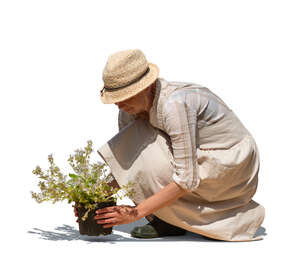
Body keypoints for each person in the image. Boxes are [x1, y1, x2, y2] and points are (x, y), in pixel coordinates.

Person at [75, 49, 266, 241]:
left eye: (126, 96)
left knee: (149, 159)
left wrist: (135, 213)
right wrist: (92, 199)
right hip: (201, 157)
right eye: (116, 98)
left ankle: (196, 220)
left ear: (146, 87)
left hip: (231, 164)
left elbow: (186, 179)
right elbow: (128, 161)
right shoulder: (128, 110)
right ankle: (165, 219)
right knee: (132, 144)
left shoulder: (175, 105)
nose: (119, 104)